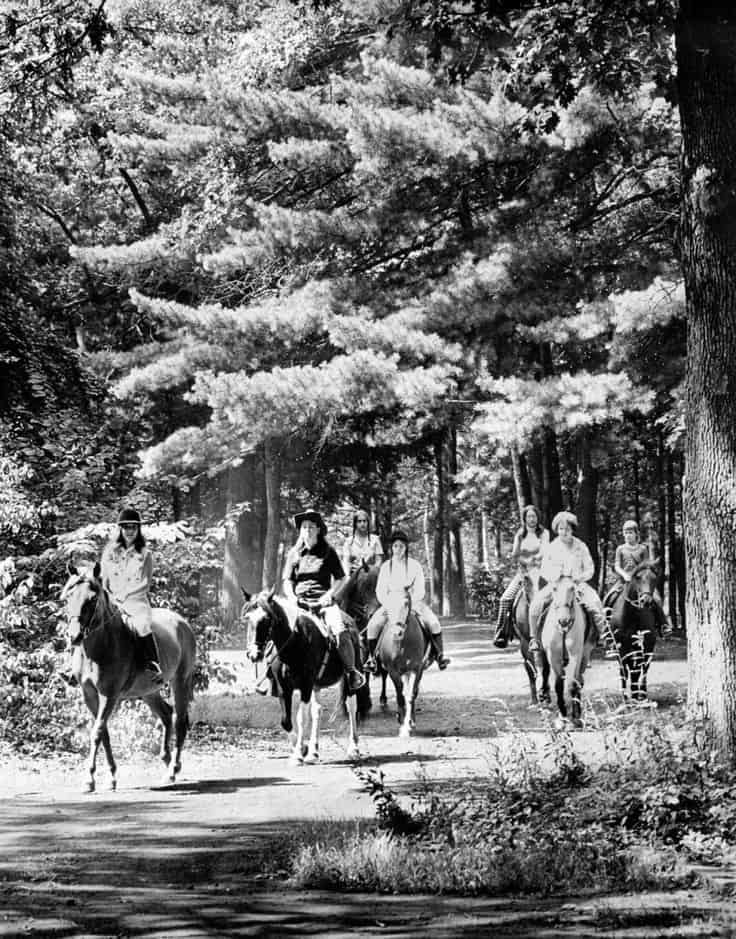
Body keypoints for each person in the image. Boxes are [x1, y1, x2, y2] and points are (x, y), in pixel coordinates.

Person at [282, 508, 365, 692]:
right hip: (299, 603)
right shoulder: (294, 554)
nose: (307, 530)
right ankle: (272, 676)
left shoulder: (328, 552)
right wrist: (292, 597)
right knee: (276, 626)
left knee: (340, 630)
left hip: (323, 603)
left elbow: (341, 578)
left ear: (319, 529)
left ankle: (352, 673)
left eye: (311, 527)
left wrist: (330, 595)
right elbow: (287, 581)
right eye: (304, 527)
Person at [363, 530, 450, 673]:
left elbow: (420, 589)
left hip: (412, 602)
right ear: (391, 548)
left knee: (434, 623)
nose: (398, 549)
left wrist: (410, 602)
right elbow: (380, 590)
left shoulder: (415, 566)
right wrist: (388, 604)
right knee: (372, 626)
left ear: (406, 548)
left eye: (401, 546)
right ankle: (372, 659)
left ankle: (440, 655)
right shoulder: (386, 567)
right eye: (395, 546)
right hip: (390, 603)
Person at [527, 511, 610, 657]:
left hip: (577, 585)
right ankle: (534, 638)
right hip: (556, 585)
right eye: (560, 529)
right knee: (536, 604)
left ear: (572, 530)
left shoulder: (581, 546)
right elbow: (544, 569)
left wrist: (580, 577)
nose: (564, 532)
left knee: (596, 603)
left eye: (567, 529)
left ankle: (603, 637)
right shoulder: (552, 547)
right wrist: (554, 577)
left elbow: (590, 568)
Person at [100, 507, 162, 682]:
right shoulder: (110, 551)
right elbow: (104, 577)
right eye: (126, 527)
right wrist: (108, 595)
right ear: (120, 529)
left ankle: (153, 664)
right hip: (112, 600)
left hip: (135, 601)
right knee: (87, 620)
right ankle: (74, 667)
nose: (129, 531)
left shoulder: (145, 554)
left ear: (138, 530)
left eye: (133, 528)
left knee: (142, 625)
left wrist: (125, 596)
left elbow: (145, 583)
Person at [492, 505, 550, 648]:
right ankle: (501, 633)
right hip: (524, 573)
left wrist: (536, 559)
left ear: (538, 518)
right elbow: (515, 554)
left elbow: (545, 551)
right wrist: (524, 563)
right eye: (529, 516)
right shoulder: (520, 534)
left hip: (542, 573)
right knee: (505, 599)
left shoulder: (544, 533)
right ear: (525, 518)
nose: (532, 519)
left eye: (534, 516)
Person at [607, 519, 671, 635]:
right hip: (624, 580)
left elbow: (646, 565)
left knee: (656, 598)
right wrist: (624, 574)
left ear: (636, 534)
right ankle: (605, 626)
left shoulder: (642, 548)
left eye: (630, 532)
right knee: (609, 596)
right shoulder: (620, 549)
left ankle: (663, 625)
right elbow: (617, 565)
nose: (628, 535)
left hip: (640, 581)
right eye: (626, 533)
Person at [342, 509, 384, 574]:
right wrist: (347, 575)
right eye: (359, 521)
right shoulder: (348, 542)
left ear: (368, 523)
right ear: (355, 523)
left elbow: (379, 560)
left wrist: (371, 571)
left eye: (364, 521)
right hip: (353, 575)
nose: (362, 523)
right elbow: (346, 561)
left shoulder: (375, 539)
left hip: (371, 575)